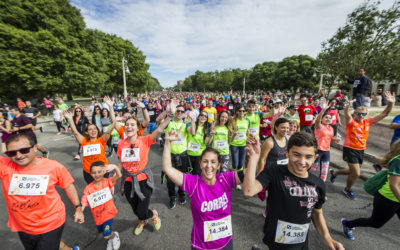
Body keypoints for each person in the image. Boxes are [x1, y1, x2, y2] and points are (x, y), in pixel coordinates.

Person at [242, 132, 344, 250]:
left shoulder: (318, 184)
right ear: (287, 153)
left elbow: (317, 213)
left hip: (300, 242)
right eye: (296, 154)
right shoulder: (274, 171)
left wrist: (328, 239)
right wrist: (254, 158)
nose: (302, 161)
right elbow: (248, 191)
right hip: (276, 241)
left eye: (308, 157)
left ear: (315, 158)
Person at [162, 128, 243, 250]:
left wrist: (254, 156)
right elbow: (167, 169)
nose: (209, 166)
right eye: (205, 161)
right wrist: (168, 142)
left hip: (226, 243)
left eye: (213, 162)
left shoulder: (226, 179)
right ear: (200, 164)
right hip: (201, 246)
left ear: (219, 165)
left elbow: (249, 174)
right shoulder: (193, 183)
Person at [0, 133, 84, 250]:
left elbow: (68, 185)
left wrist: (78, 207)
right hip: (22, 226)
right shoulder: (5, 166)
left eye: (24, 150)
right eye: (12, 153)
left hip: (51, 223)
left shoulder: (53, 167)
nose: (18, 156)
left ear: (35, 148)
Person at [330, 91, 395, 200]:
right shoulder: (351, 122)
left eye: (363, 114)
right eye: (359, 114)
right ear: (354, 114)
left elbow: (384, 114)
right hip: (350, 149)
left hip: (361, 150)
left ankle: (335, 172)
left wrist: (391, 103)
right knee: (356, 173)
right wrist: (347, 107)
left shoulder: (367, 122)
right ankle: (347, 189)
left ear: (366, 115)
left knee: (352, 171)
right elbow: (346, 115)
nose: (361, 116)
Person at [117, 109, 173, 235]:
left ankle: (152, 214)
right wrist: (112, 180)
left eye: (132, 125)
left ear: (137, 128)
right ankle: (143, 221)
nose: (129, 127)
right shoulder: (121, 144)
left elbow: (159, 130)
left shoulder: (145, 140)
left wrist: (170, 116)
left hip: (143, 180)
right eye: (127, 125)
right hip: (127, 181)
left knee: (142, 210)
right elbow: (120, 163)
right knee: (135, 208)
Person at [341, 139, 400, 240]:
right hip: (387, 199)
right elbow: (393, 185)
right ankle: (348, 224)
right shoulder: (398, 161)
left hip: (397, 199)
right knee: (375, 223)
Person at [64, 110, 115, 184]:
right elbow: (75, 132)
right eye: (90, 129)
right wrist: (70, 119)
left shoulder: (101, 140)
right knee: (93, 190)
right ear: (87, 132)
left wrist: (111, 110)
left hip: (102, 170)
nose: (93, 131)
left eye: (95, 129)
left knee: (104, 188)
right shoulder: (84, 141)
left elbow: (109, 131)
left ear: (97, 131)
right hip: (88, 172)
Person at [81, 161, 121, 250]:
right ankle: (111, 237)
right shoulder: (88, 188)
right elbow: (84, 200)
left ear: (104, 172)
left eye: (99, 172)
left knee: (106, 234)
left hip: (108, 212)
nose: (97, 174)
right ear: (90, 174)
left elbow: (118, 175)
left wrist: (114, 167)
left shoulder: (107, 182)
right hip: (98, 216)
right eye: (94, 172)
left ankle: (114, 236)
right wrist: (80, 211)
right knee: (102, 230)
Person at [310, 100, 339, 182]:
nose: (328, 119)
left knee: (324, 172)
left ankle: (320, 187)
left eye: (330, 118)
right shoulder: (319, 126)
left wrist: (335, 139)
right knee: (313, 169)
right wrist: (323, 110)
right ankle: (303, 180)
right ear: (322, 119)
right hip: (317, 150)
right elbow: (317, 120)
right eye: (326, 117)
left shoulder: (331, 128)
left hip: (327, 151)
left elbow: (329, 138)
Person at [228, 104, 249, 174]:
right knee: (235, 164)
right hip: (234, 144)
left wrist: (248, 135)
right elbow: (229, 129)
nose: (242, 112)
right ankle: (231, 171)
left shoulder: (247, 121)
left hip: (243, 144)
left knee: (240, 164)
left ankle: (238, 179)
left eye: (243, 111)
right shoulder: (233, 120)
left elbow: (247, 133)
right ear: (237, 112)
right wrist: (232, 132)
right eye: (240, 111)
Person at [187, 111, 209, 175]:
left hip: (200, 155)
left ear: (206, 119)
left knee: (197, 174)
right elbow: (192, 132)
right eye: (202, 115)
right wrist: (192, 120)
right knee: (189, 173)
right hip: (189, 153)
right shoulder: (190, 124)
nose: (203, 117)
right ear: (199, 117)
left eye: (205, 116)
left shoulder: (206, 129)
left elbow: (206, 143)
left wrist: (211, 135)